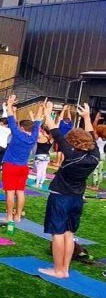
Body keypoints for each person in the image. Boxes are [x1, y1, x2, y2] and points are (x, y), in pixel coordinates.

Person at [39, 101, 99, 278]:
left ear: (72, 142)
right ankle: (64, 269)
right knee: (68, 234)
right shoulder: (94, 156)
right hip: (77, 199)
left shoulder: (71, 154)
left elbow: (56, 133)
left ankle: (58, 270)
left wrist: (48, 113)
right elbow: (92, 137)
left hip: (61, 198)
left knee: (57, 234)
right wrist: (87, 117)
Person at [0, 95, 41, 222]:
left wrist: (10, 103)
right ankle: (17, 216)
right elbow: (38, 122)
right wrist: (41, 108)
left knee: (10, 192)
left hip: (11, 166)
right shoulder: (33, 137)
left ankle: (9, 216)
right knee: (20, 191)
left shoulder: (17, 134)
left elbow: (11, 118)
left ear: (22, 128)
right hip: (23, 167)